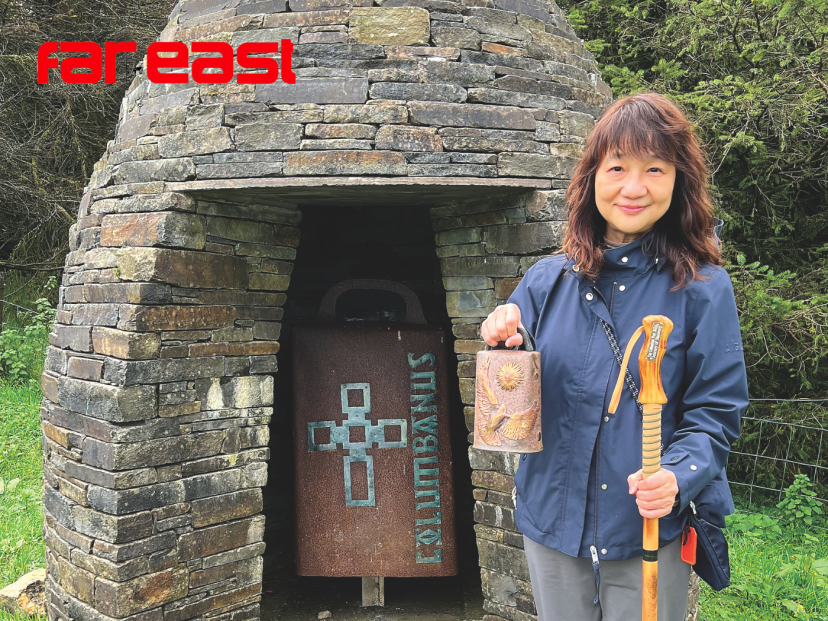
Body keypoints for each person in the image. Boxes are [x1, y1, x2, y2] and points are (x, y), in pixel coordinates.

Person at [480, 92, 749, 621]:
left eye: (655, 169)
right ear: (592, 178)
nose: (633, 187)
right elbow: (510, 392)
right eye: (618, 166)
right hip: (553, 526)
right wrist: (503, 340)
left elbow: (716, 411)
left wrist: (678, 474)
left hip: (647, 528)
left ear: (679, 182)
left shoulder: (703, 289)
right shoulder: (544, 281)